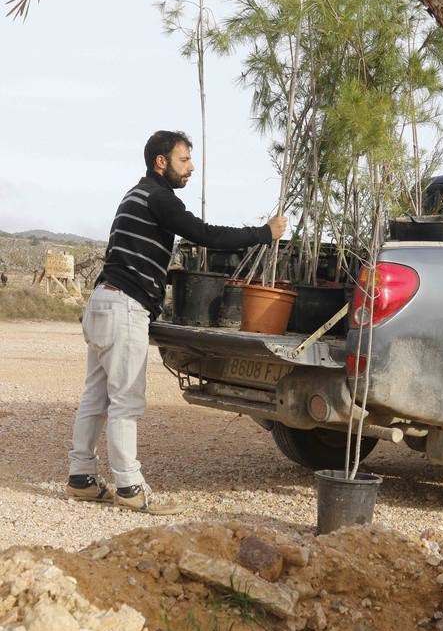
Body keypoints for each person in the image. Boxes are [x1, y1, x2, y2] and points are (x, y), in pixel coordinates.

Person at [66, 130, 286, 513]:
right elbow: (204, 234)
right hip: (124, 309)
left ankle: (81, 476)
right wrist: (263, 234)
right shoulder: (158, 198)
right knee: (126, 402)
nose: (191, 168)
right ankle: (130, 487)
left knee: (97, 397)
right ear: (161, 162)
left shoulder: (134, 195)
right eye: (184, 161)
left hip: (102, 301)